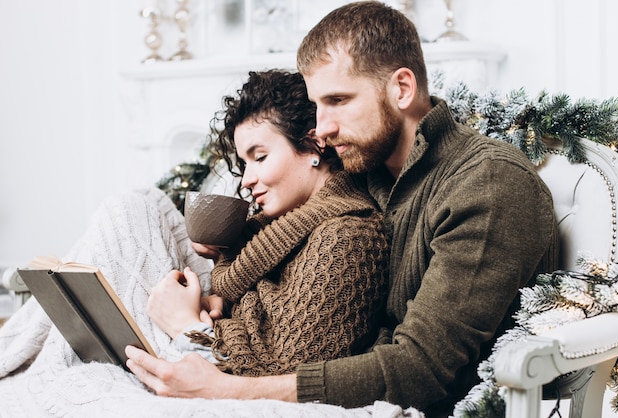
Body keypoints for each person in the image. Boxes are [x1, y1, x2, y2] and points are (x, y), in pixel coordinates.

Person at [126, 2, 559, 417]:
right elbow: (294, 236)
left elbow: (420, 370)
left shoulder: (485, 182)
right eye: (317, 105)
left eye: (338, 100)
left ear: (402, 88)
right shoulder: (367, 174)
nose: (322, 127)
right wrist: (227, 257)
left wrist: (230, 391)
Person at [146, 69, 389, 376]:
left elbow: (283, 375)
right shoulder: (272, 232)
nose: (247, 180)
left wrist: (185, 325)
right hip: (198, 348)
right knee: (143, 205)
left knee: (133, 209)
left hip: (212, 367)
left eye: (259, 157)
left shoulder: (349, 237)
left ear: (314, 145)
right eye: (244, 164)